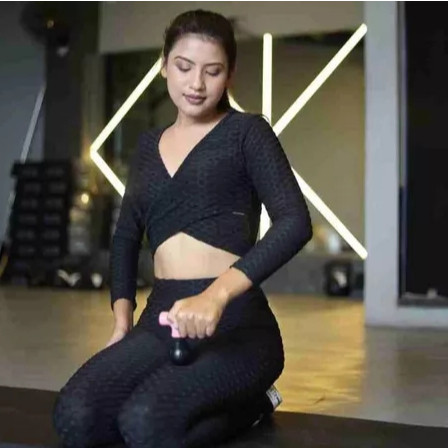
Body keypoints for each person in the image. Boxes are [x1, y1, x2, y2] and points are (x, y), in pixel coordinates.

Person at [52, 9, 312, 448]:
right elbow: (126, 236)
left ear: (229, 75)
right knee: (75, 416)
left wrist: (216, 295)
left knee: (145, 422)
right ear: (163, 65)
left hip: (236, 325)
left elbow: (295, 222)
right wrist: (122, 323)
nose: (196, 84)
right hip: (161, 319)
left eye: (213, 71)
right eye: (184, 67)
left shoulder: (247, 133)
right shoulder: (147, 146)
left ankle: (253, 404)